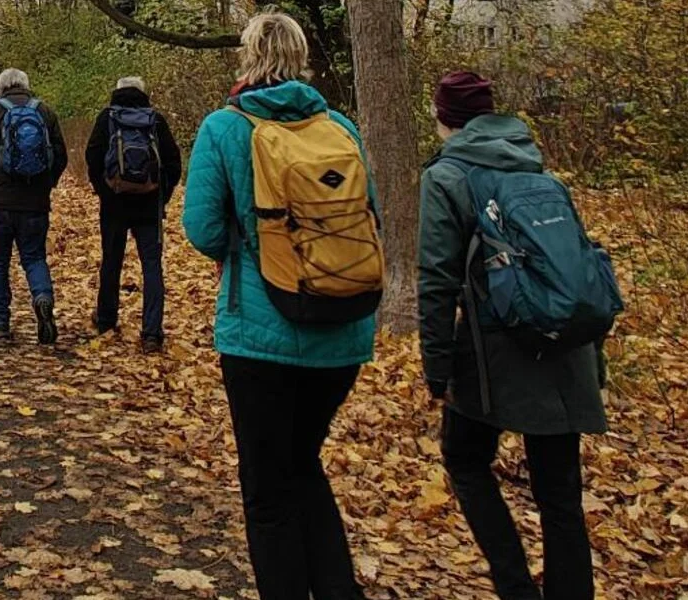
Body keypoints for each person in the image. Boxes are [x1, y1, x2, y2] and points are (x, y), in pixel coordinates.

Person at [181, 13, 379, 599]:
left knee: (268, 491)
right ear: (301, 56)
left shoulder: (225, 127)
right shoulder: (339, 126)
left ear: (247, 56)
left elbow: (201, 228)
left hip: (259, 335)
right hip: (343, 330)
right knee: (303, 464)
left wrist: (248, 247)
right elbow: (367, 215)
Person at [419, 71, 608, 600]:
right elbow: (580, 269)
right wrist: (595, 361)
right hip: (566, 344)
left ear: (444, 118)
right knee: (561, 495)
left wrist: (436, 366)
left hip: (492, 350)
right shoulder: (539, 171)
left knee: (464, 458)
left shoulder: (448, 176)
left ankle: (515, 586)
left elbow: (437, 277)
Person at [84, 76, 182, 354]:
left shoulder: (107, 118)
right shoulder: (155, 120)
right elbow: (174, 162)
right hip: (149, 206)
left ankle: (106, 320)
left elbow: (92, 157)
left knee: (111, 261)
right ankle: (152, 332)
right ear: (143, 93)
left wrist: (104, 191)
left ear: (116, 91)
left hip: (114, 205)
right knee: (152, 267)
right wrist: (162, 195)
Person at [0, 68, 67, 344]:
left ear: (1, 87)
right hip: (36, 202)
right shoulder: (45, 111)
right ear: (26, 86)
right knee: (34, 256)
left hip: (1, 202)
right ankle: (42, 297)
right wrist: (47, 183)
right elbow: (59, 154)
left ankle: (0, 321)